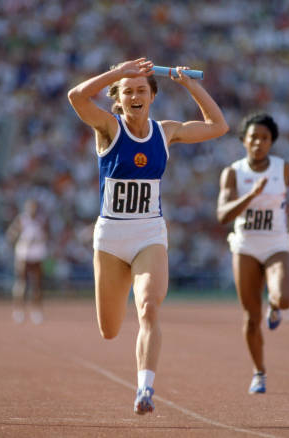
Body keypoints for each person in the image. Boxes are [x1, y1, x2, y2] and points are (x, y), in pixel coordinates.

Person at [67, 58, 228, 414]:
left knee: (149, 307)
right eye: (128, 91)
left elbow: (218, 126)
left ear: (152, 96)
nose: (135, 96)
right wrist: (118, 72)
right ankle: (139, 373)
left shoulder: (165, 131)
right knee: (109, 330)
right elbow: (77, 96)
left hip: (149, 234)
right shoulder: (108, 127)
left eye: (141, 90)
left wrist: (190, 85)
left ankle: (145, 389)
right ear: (118, 98)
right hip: (110, 237)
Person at [217, 112, 289, 394]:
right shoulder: (233, 173)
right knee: (251, 317)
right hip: (246, 245)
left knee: (284, 300)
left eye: (265, 138)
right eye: (253, 138)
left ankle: (275, 307)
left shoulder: (283, 169)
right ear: (243, 141)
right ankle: (259, 372)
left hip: (276, 243)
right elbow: (222, 215)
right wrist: (251, 195)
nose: (258, 143)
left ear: (272, 142)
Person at [6, 199, 48, 324]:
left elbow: (47, 235)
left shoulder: (41, 220)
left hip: (37, 254)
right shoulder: (21, 219)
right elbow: (10, 234)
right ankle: (19, 310)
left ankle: (36, 311)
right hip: (24, 254)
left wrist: (40, 239)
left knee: (37, 285)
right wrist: (22, 240)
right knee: (21, 283)